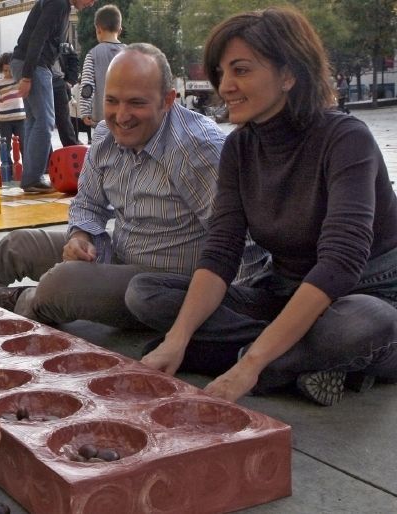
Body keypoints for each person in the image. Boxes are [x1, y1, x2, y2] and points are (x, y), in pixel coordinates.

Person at [0, 44, 267, 329]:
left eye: (136, 103)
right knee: (19, 244)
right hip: (118, 254)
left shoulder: (197, 150)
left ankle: (20, 302)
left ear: (168, 99)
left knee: (62, 282)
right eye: (112, 102)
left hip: (160, 285)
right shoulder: (106, 141)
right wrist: (81, 235)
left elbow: (238, 247)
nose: (120, 116)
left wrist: (226, 319)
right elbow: (89, 206)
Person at [125, 6, 397, 407]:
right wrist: (176, 341)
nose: (225, 85)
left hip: (367, 293)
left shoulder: (346, 139)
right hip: (281, 292)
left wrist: (248, 366)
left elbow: (342, 261)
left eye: (242, 70)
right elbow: (221, 251)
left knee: (357, 325)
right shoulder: (239, 147)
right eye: (221, 72)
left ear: (288, 75)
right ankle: (305, 361)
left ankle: (263, 362)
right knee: (146, 292)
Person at [10, 0, 97, 193]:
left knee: (35, 120)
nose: (92, 3)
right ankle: (33, 178)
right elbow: (38, 37)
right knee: (46, 120)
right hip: (34, 63)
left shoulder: (60, 5)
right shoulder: (58, 4)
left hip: (30, 62)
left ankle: (30, 178)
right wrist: (27, 75)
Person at [79, 4, 125, 128]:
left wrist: (85, 111)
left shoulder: (92, 55)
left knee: (102, 146)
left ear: (98, 29)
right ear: (119, 30)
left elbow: (87, 85)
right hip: (126, 116)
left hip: (102, 117)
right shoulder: (130, 54)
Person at [0, 52, 25, 168]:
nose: (8, 73)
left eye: (10, 70)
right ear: (1, 69)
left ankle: (28, 166)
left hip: (21, 117)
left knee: (24, 144)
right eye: (5, 71)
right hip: (4, 120)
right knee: (6, 145)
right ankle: (7, 166)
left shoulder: (20, 79)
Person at [52, 41, 82, 147]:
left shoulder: (63, 43)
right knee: (41, 123)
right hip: (39, 82)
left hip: (58, 82)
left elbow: (74, 59)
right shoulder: (36, 37)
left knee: (64, 121)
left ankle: (72, 150)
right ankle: (45, 157)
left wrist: (70, 81)